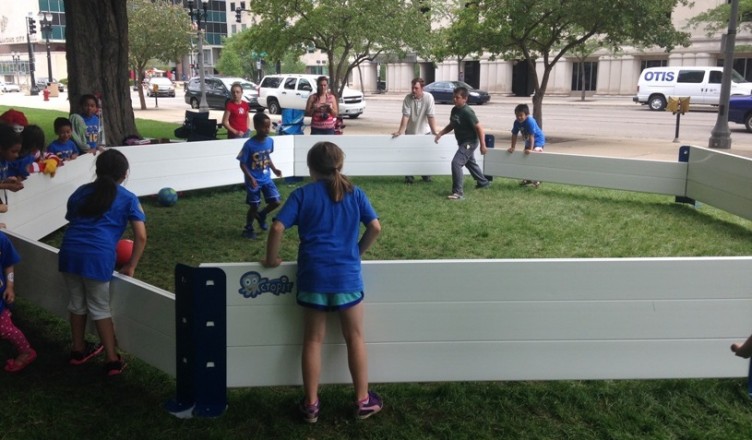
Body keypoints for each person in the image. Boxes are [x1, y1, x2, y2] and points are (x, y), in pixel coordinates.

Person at [261, 141, 383, 423]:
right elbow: (375, 227)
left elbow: (277, 227)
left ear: (311, 168)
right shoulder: (355, 193)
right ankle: (362, 401)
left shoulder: (303, 195)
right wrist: (356, 252)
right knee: (355, 338)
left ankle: (312, 405)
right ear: (340, 164)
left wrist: (271, 259)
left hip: (313, 277)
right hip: (347, 278)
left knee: (312, 340)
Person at [58, 149, 147, 376]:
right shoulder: (128, 198)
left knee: (76, 303)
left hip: (69, 252)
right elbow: (141, 236)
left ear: (97, 171)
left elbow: (72, 219)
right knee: (99, 308)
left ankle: (78, 351)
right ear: (124, 174)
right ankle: (112, 360)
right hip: (97, 257)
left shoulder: (80, 192)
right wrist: (131, 265)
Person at [433, 86, 490, 200]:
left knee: (456, 163)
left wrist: (483, 145)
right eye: (453, 97)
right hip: (462, 142)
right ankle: (484, 183)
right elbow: (452, 124)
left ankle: (458, 193)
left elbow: (479, 128)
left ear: (465, 99)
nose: (454, 99)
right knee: (470, 163)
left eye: (457, 97)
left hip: (470, 142)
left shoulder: (467, 111)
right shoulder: (454, 110)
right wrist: (441, 133)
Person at [237, 112, 282, 239]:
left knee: (276, 201)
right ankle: (248, 228)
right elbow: (242, 164)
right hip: (254, 180)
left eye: (268, 127)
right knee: (254, 205)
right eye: (264, 127)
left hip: (266, 178)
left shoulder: (270, 141)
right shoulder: (249, 145)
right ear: (256, 127)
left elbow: (267, 156)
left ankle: (262, 215)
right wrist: (250, 178)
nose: (267, 129)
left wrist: (274, 169)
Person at [0, 230, 37, 373]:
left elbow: (9, 263)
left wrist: (10, 286)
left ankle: (26, 351)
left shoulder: (2, 239)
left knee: (5, 329)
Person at [392, 77, 439, 184]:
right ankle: (409, 178)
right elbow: (405, 116)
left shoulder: (429, 98)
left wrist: (434, 131)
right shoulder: (408, 98)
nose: (413, 90)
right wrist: (400, 131)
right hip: (410, 133)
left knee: (425, 156)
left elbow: (431, 116)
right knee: (409, 156)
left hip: (425, 132)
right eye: (412, 88)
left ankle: (426, 176)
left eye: (416, 88)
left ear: (422, 88)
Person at [507, 103, 546, 188]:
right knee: (525, 159)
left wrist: (531, 150)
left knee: (533, 159)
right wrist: (513, 147)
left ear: (527, 115)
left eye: (521, 115)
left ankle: (537, 180)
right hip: (528, 142)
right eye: (517, 115)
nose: (519, 117)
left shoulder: (530, 121)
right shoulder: (516, 122)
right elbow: (514, 135)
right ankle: (528, 179)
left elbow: (532, 136)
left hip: (538, 141)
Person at [0, 124, 25, 198]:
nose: (17, 155)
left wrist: (6, 181)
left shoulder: (4, 161)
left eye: (18, 152)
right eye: (13, 151)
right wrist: (7, 186)